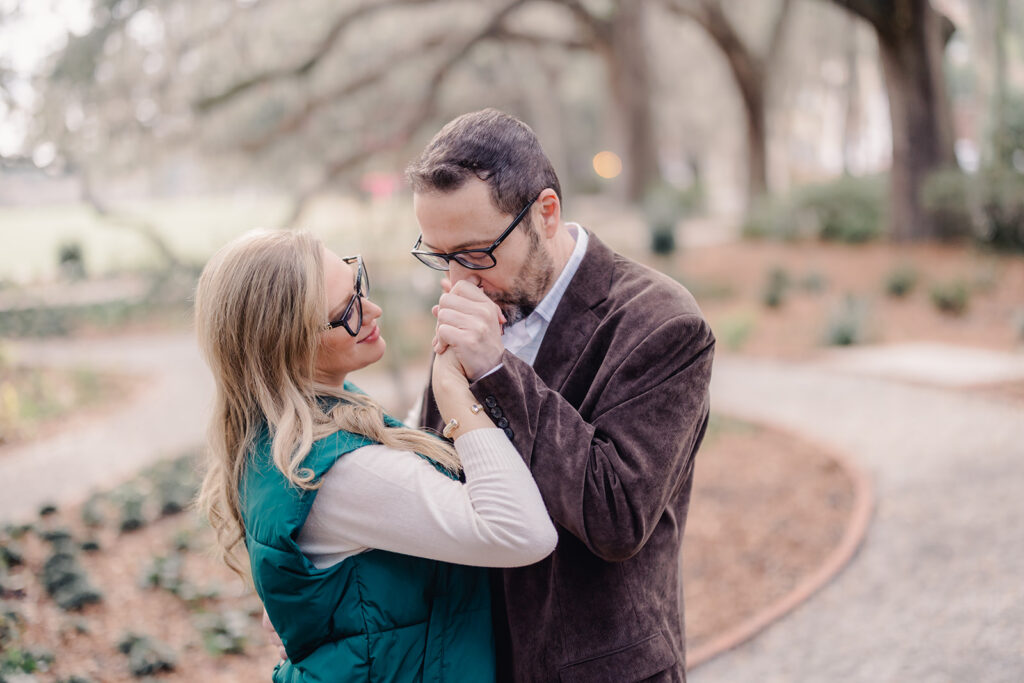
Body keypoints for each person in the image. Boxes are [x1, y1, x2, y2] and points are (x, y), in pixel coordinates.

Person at [407, 109, 715, 682]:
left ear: (546, 213)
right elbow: (448, 479)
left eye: (475, 253)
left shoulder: (661, 323)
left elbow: (617, 516)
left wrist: (496, 369)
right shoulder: (472, 299)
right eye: (440, 256)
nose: (457, 281)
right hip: (480, 660)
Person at [194, 229, 557, 682]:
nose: (372, 311)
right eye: (346, 312)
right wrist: (453, 390)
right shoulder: (343, 473)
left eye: (357, 283)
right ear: (287, 344)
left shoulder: (285, 430)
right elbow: (525, 533)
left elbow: (397, 452)